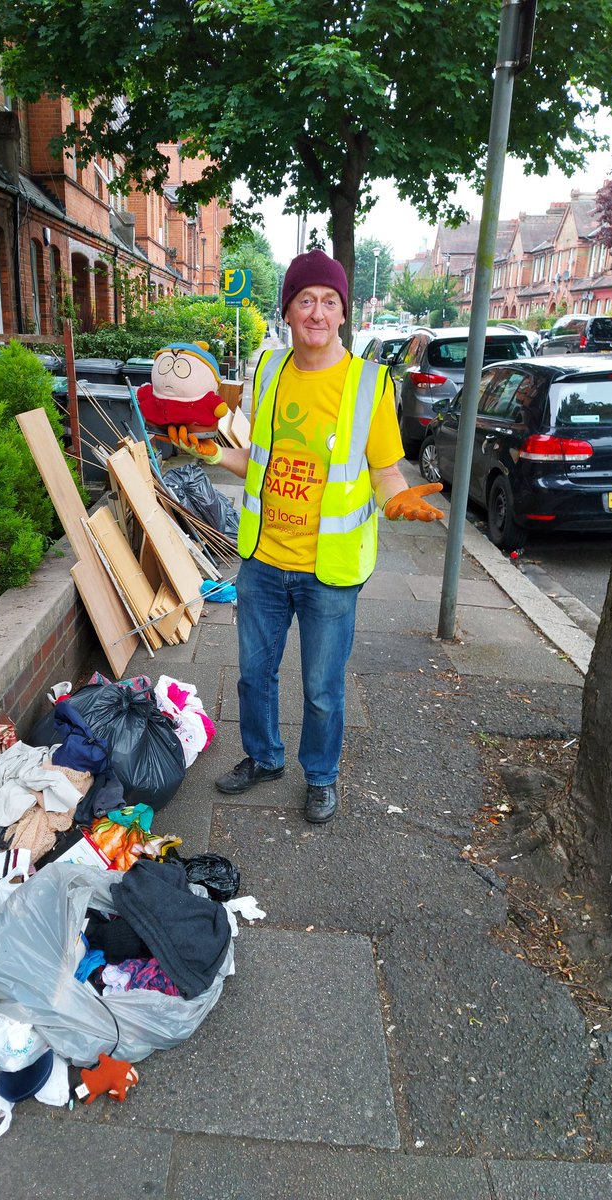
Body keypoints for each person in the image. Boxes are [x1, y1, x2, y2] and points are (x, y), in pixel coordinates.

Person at [170, 249, 442, 824]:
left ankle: (321, 775)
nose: (316, 312)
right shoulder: (268, 370)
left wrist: (397, 499)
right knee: (252, 674)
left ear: (343, 313)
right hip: (264, 560)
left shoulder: (371, 384)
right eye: (304, 300)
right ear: (288, 311)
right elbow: (258, 460)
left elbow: (385, 471)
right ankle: (264, 758)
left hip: (330, 570)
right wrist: (214, 452)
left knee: (322, 688)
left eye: (328, 301)